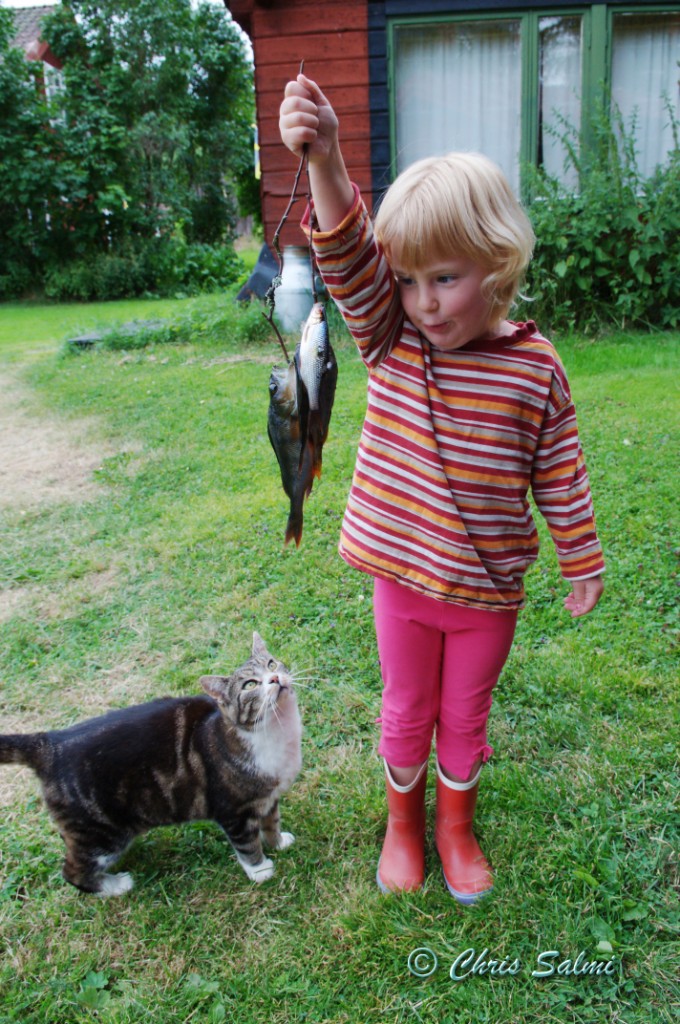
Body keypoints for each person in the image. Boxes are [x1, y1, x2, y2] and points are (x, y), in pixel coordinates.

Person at [279, 75, 605, 902]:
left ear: (497, 264)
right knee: (406, 707)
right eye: (411, 279)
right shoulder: (393, 338)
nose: (424, 302)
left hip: (488, 591)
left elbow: (559, 468)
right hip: (403, 582)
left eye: (445, 279)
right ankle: (402, 824)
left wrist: (580, 558)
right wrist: (328, 154)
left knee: (464, 717)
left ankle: (454, 827)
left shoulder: (536, 369)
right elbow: (349, 255)